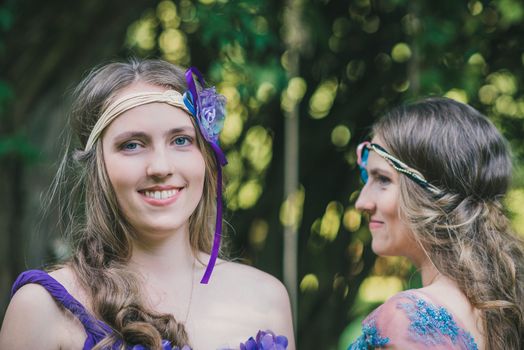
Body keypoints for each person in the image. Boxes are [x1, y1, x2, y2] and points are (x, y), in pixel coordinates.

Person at [0, 59, 295, 350]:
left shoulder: (266, 300)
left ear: (206, 158)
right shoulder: (43, 308)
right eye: (132, 145)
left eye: (180, 140)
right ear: (97, 167)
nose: (160, 167)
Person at [348, 97, 524, 349]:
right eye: (367, 177)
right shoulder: (502, 312)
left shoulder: (407, 318)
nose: (362, 202)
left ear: (429, 194)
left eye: (382, 179)